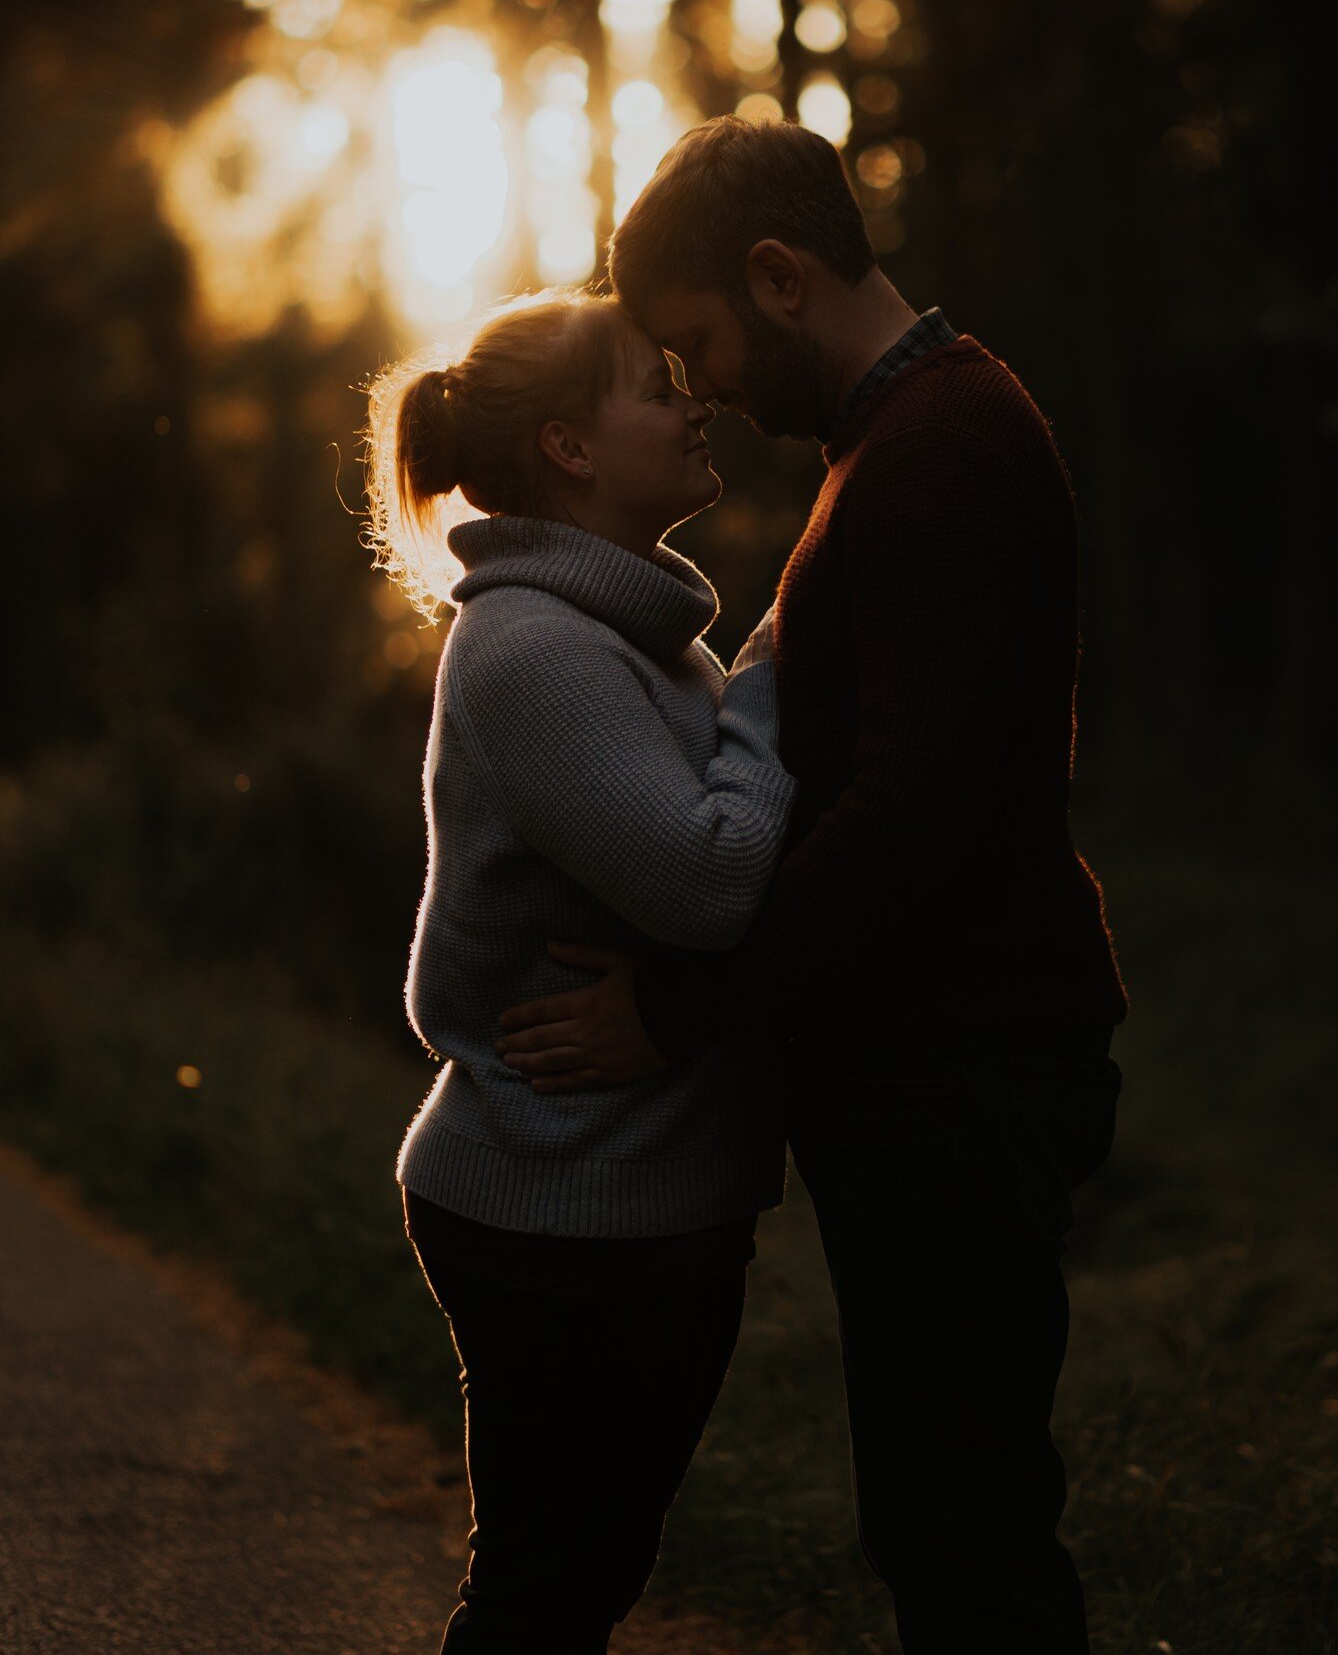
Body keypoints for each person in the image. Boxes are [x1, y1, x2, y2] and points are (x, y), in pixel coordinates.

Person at [495, 117, 1130, 1653]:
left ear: (778, 277)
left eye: (696, 339)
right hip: (928, 1065)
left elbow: (911, 813)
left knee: (965, 1527)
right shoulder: (897, 444)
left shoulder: (943, 446)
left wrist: (685, 1011)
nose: (698, 381)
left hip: (965, 1068)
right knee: (936, 1511)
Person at [363, 286, 797, 1653]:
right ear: (569, 447)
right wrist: (778, 681)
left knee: (577, 1580)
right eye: (653, 383)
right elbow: (714, 879)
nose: (695, 399)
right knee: (549, 1593)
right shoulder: (538, 651)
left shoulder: (632, 638)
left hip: (628, 1200)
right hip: (558, 1209)